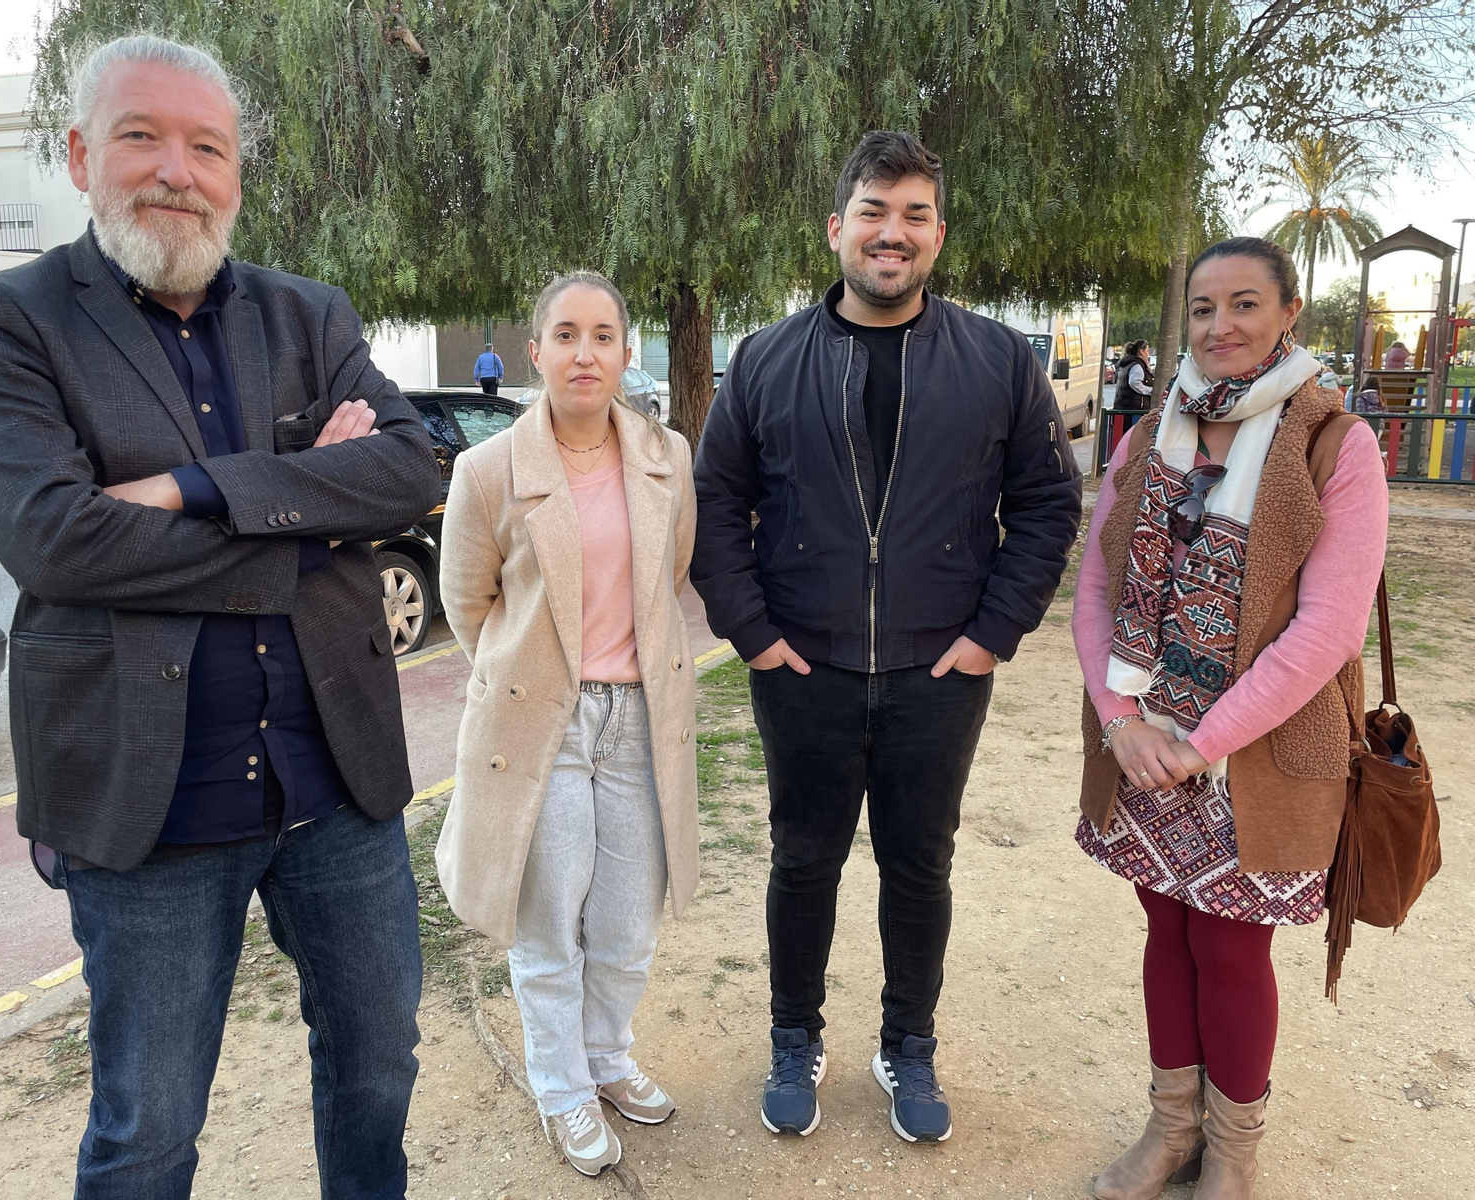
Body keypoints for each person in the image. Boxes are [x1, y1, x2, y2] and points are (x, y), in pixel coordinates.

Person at [0, 36, 441, 1199]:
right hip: (145, 805)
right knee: (148, 1129)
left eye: (207, 147)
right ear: (80, 156)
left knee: (378, 1067)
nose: (177, 170)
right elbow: (55, 539)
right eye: (141, 137)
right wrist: (306, 514)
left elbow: (409, 470)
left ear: (236, 176)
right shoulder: (4, 319)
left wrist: (183, 488)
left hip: (337, 788)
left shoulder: (309, 316)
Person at [692, 131, 1083, 1144]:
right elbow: (715, 502)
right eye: (873, 211)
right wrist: (752, 634)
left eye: (914, 214)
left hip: (938, 672)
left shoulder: (997, 361)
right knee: (801, 863)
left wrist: (992, 633)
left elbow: (1047, 503)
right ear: (837, 228)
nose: (891, 232)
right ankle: (794, 1037)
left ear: (938, 235)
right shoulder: (765, 359)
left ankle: (908, 1044)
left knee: (920, 867)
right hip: (804, 669)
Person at [1072, 236, 1387, 1200]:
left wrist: (1200, 744)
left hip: (1253, 752)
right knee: (1165, 930)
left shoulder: (1334, 444)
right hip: (1140, 741)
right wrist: (1120, 721)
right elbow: (1096, 589)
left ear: (1290, 313)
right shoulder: (1147, 436)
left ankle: (1234, 1154)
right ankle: (1172, 1131)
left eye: (1245, 304)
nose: (1220, 326)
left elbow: (1328, 632)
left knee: (1231, 946)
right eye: (1204, 309)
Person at [436, 271, 699, 1177]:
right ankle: (560, 1088)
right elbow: (469, 604)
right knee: (550, 924)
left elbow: (669, 575)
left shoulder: (667, 456)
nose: (584, 354)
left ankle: (605, 1056)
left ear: (626, 353)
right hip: (541, 725)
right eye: (565, 335)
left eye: (602, 336)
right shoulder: (488, 471)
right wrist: (531, 677)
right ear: (535, 352)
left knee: (627, 921)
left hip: (640, 719)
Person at [1115, 339, 1155, 409]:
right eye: (1147, 351)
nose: (1148, 354)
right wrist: (1150, 390)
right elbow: (1134, 382)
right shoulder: (1137, 366)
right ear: (1141, 352)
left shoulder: (1128, 364)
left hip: (1124, 406)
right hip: (1134, 408)